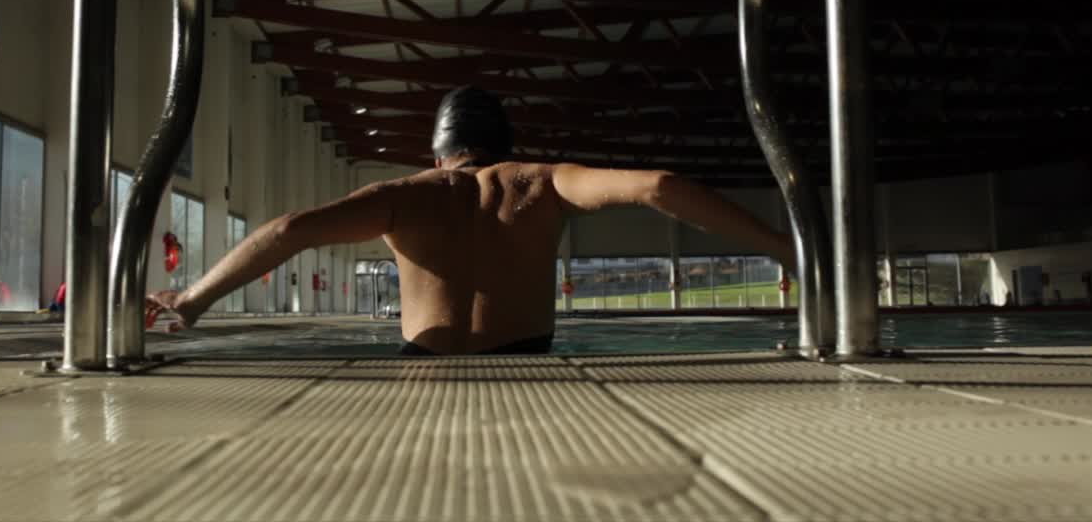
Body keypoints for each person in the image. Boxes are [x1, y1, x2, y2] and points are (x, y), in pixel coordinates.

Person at [146, 86, 795, 355]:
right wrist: (791, 253)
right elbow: (661, 185)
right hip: (528, 367)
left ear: (435, 153)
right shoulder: (542, 181)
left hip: (420, 370)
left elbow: (290, 229)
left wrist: (193, 300)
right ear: (507, 144)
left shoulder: (405, 193)